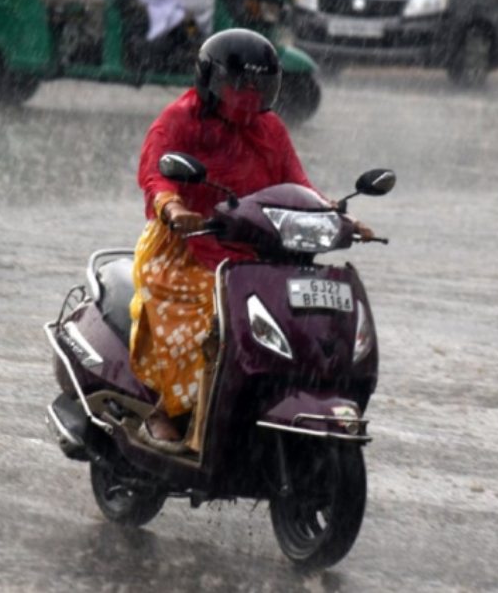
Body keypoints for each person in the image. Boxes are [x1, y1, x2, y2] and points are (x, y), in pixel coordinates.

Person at [128, 29, 371, 454]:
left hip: (258, 252)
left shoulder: (270, 129)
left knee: (302, 319)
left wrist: (339, 216)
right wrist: (175, 209)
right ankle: (168, 411)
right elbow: (156, 175)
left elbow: (297, 184)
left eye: (260, 86)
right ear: (210, 81)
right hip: (187, 248)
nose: (249, 94)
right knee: (212, 322)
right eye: (239, 84)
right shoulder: (179, 120)